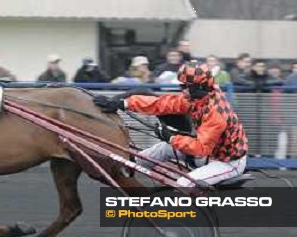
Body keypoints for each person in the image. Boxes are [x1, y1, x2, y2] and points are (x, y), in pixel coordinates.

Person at [93, 62, 248, 187]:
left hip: (227, 162)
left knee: (184, 183)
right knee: (162, 149)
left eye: (184, 86)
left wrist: (172, 137)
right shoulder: (198, 97)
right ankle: (127, 166)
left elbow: (200, 149)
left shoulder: (215, 112)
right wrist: (122, 103)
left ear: (198, 86)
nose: (181, 90)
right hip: (210, 153)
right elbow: (161, 104)